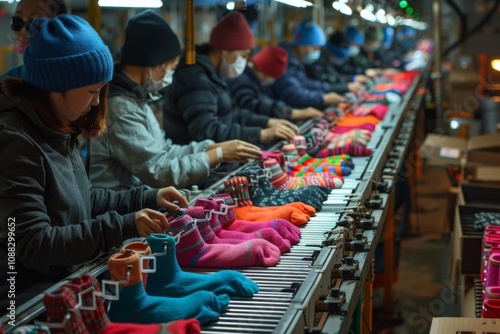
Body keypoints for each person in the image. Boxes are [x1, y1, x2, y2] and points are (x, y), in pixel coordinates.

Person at [0, 14, 188, 310]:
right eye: (91, 91)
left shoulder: (59, 128)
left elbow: (85, 200)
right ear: (55, 86)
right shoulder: (15, 142)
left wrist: (146, 198)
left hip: (67, 287)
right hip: (25, 306)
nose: (98, 102)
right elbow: (32, 244)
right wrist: (123, 226)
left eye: (101, 90)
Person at [89, 10, 262, 191]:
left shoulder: (136, 98)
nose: (171, 75)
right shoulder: (120, 108)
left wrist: (212, 148)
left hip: (139, 198)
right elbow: (160, 170)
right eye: (171, 67)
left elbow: (165, 151)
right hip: (124, 209)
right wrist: (217, 155)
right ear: (154, 63)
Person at [163, 11, 299, 146]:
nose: (245, 62)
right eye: (243, 55)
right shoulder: (195, 78)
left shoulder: (213, 74)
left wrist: (267, 122)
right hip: (202, 163)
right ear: (225, 49)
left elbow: (233, 115)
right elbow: (206, 131)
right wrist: (262, 134)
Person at [264, 19, 346, 110]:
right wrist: (322, 98)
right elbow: (293, 94)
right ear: (301, 44)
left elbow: (305, 83)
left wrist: (334, 89)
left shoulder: (296, 60)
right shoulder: (281, 60)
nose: (316, 53)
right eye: (314, 48)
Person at [227, 45, 324, 122]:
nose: (272, 81)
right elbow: (254, 105)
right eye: (273, 77)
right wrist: (291, 113)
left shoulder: (252, 80)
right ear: (264, 72)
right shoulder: (242, 82)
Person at [0, 0, 67, 80]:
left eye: (35, 23)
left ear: (59, 27)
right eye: (17, 21)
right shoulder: (6, 82)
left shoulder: (74, 77)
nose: (23, 31)